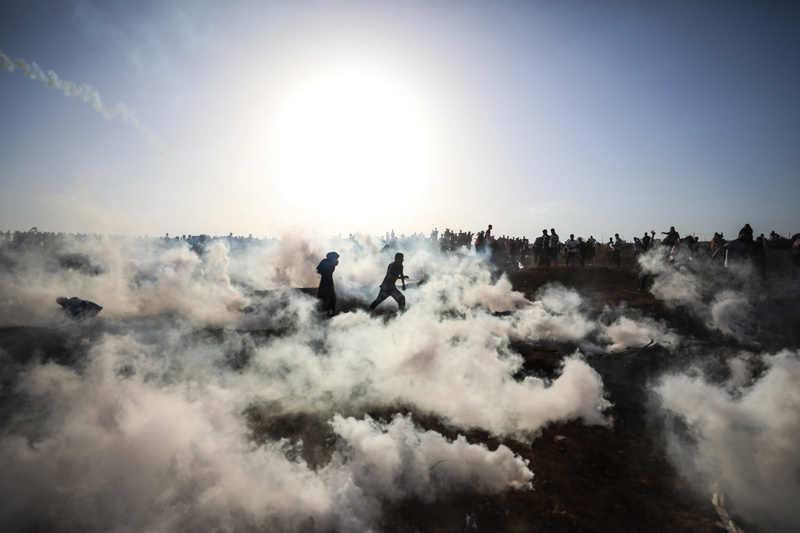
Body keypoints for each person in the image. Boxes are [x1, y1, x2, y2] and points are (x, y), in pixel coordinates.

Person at [316, 251, 339, 316]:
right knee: (327, 297)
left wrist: (332, 265)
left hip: (327, 280)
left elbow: (320, 270)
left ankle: (327, 312)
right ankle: (326, 313)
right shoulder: (326, 262)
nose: (336, 260)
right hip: (326, 281)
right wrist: (331, 265)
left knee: (329, 297)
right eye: (335, 258)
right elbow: (320, 270)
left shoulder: (326, 261)